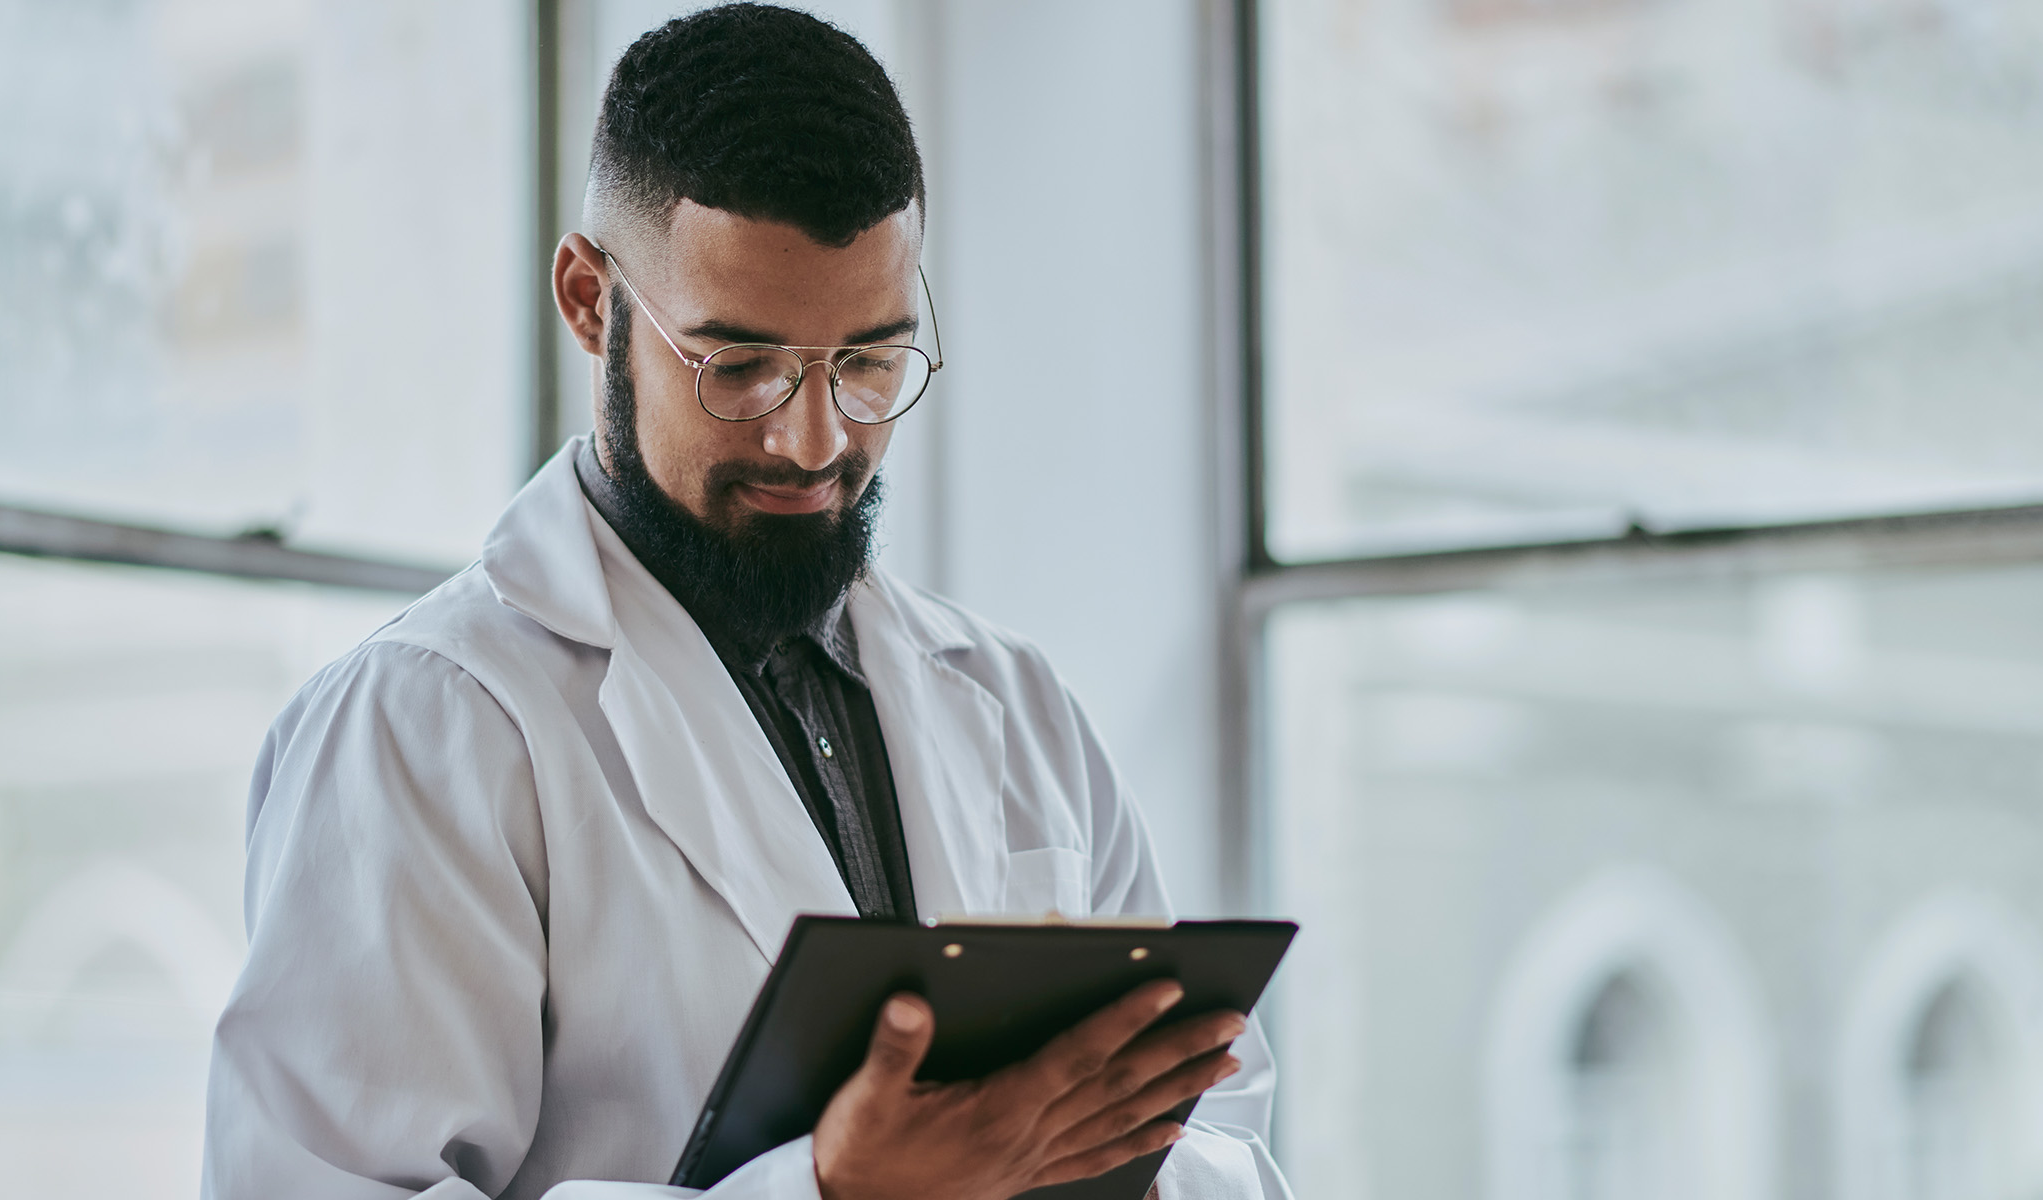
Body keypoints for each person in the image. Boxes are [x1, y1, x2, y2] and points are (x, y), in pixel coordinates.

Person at [201, 6, 1292, 1199]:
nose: (814, 437)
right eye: (739, 365)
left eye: (870, 362)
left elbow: (1223, 1131)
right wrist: (828, 1192)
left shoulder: (1013, 700)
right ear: (587, 300)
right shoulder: (425, 726)